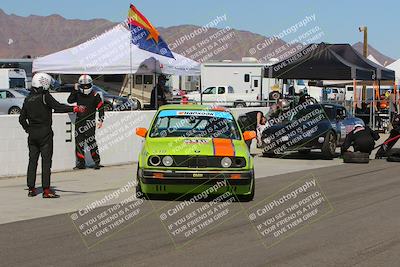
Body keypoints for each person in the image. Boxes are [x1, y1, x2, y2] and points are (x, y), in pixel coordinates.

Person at [19, 72, 86, 198]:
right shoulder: (45, 96)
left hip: (32, 135)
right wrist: (75, 108)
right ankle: (46, 190)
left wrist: (28, 129)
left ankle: (31, 189)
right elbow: (58, 107)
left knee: (32, 161)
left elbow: (21, 119)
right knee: (46, 162)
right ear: (43, 83)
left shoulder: (27, 98)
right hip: (45, 133)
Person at [68, 74, 105, 170]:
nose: (85, 87)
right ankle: (81, 164)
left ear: (91, 84)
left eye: (87, 85)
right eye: (82, 86)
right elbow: (70, 100)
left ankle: (97, 162)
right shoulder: (78, 93)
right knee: (79, 143)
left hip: (90, 122)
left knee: (91, 142)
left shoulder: (95, 95)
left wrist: (101, 119)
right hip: (79, 121)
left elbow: (101, 107)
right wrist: (74, 90)